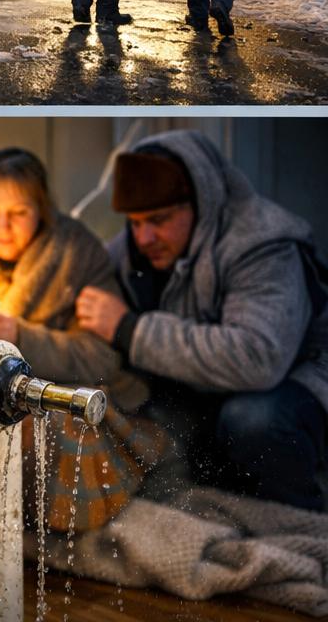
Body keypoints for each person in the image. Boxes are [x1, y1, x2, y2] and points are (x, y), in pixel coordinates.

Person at [75, 131, 328, 510]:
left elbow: (257, 358)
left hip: (295, 382)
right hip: (206, 389)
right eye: (135, 222)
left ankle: (301, 524)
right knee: (142, 419)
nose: (143, 238)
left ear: (200, 202)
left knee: (254, 422)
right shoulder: (133, 249)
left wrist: (129, 329)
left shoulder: (263, 244)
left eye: (158, 220)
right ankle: (217, 517)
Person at [0, 147, 144, 410]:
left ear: (41, 209)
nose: (3, 227)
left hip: (45, 398)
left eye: (19, 213)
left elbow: (101, 361)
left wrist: (22, 337)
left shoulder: (77, 251)